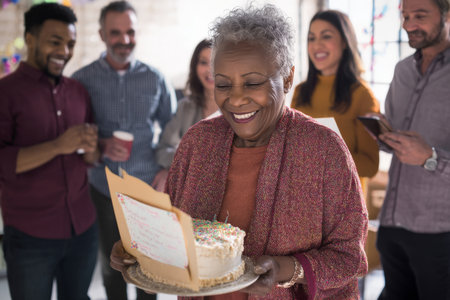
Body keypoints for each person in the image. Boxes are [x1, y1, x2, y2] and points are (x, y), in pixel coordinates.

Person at [110, 4, 369, 299]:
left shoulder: (323, 150)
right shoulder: (198, 143)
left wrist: (288, 269)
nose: (235, 98)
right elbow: (169, 232)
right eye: (222, 84)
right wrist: (136, 247)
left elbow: (349, 257)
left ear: (286, 78)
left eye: (253, 82)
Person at [72, 1, 176, 300]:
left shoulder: (155, 77)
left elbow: (173, 132)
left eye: (130, 32)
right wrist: (102, 144)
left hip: (146, 188)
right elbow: (75, 138)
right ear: (103, 34)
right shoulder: (82, 80)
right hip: (102, 187)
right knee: (111, 266)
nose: (124, 39)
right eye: (116, 33)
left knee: (149, 268)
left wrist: (168, 168)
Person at [0, 3, 99, 300]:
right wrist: (58, 145)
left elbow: (90, 159)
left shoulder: (78, 91)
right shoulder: (5, 93)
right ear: (30, 39)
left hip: (83, 228)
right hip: (30, 236)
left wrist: (93, 150)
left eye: (70, 44)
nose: (65, 51)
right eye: (55, 42)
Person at [372, 0, 450, 299]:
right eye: (405, 16)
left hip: (439, 232)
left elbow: (424, 154)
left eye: (420, 15)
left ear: (446, 14)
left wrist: (430, 158)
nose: (409, 24)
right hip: (392, 224)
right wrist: (381, 134)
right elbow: (396, 142)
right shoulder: (402, 70)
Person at [291, 10, 380, 197]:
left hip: (345, 204)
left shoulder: (362, 96)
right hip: (303, 198)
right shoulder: (300, 92)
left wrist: (327, 158)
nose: (317, 45)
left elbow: (370, 166)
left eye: (326, 36)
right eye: (311, 38)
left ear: (345, 42)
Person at [155, 39, 219, 190]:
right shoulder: (186, 106)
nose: (209, 70)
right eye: (203, 62)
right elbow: (162, 150)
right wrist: (172, 167)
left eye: (216, 62)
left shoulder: (237, 109)